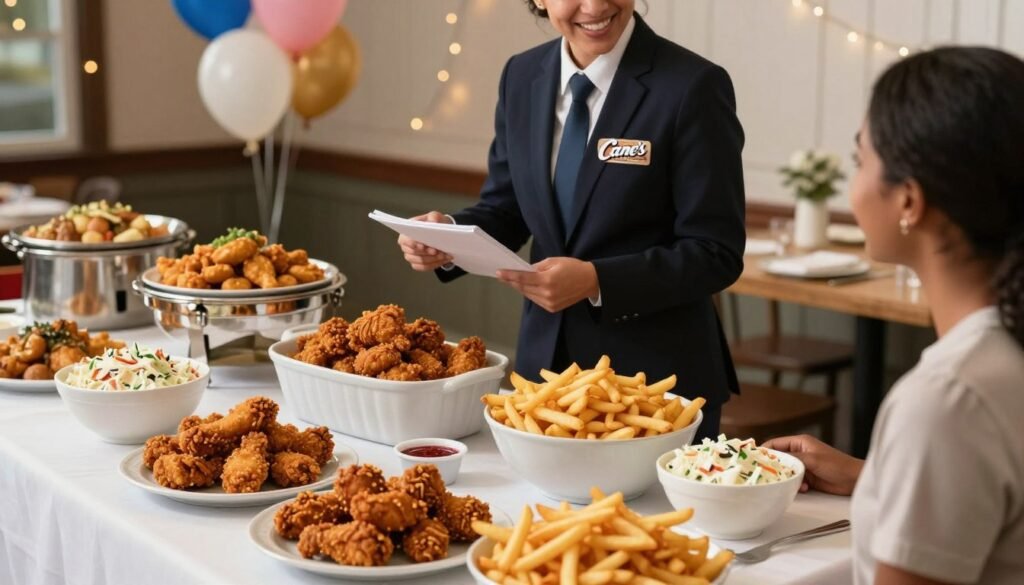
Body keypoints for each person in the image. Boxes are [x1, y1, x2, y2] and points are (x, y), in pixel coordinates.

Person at [396, 0, 746, 439]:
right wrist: (445, 237)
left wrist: (597, 281)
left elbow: (716, 253)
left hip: (657, 391)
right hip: (546, 381)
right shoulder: (521, 75)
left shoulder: (692, 86)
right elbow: (506, 208)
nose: (595, 6)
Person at [766, 47, 1024, 585]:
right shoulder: (996, 358)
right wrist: (873, 477)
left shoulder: (947, 400)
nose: (854, 185)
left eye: (861, 161)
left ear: (908, 201)